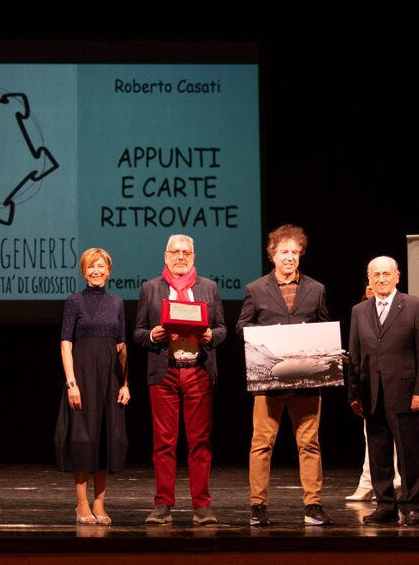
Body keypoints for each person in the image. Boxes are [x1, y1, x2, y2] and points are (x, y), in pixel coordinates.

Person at [236, 224, 333, 526]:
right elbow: (241, 327)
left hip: (306, 379)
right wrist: (269, 336)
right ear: (272, 254)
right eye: (283, 252)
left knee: (309, 443)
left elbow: (325, 328)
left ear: (300, 254)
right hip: (270, 379)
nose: (289, 257)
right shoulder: (256, 289)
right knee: (261, 443)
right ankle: (258, 506)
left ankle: (313, 505)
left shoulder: (316, 289)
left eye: (294, 252)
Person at [134, 234, 227, 525]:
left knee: (200, 442)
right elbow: (138, 332)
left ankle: (202, 506)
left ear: (193, 257)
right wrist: (152, 335)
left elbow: (222, 328)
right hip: (165, 372)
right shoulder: (150, 288)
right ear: (166, 256)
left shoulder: (209, 287)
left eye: (186, 252)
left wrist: (212, 336)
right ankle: (163, 504)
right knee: (164, 443)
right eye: (175, 252)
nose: (180, 257)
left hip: (198, 370)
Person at [348, 256, 419, 526]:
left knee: (408, 453)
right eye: (376, 274)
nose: (381, 279)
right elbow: (355, 355)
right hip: (371, 393)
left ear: (397, 276)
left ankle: (410, 505)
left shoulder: (415, 305)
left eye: (386, 274)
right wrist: (354, 394)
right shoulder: (359, 310)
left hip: (405, 393)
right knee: (378, 453)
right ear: (369, 279)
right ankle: (385, 506)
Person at [55, 248, 129, 525]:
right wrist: (71, 383)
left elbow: (122, 347)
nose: (96, 271)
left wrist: (126, 383)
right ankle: (82, 504)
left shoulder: (116, 303)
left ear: (108, 270)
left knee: (106, 440)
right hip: (83, 379)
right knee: (82, 439)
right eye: (91, 267)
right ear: (84, 271)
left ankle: (99, 503)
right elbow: (65, 345)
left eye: (101, 266)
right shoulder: (74, 301)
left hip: (109, 380)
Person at [346, 282, 401, 502]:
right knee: (373, 436)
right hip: (370, 383)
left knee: (397, 435)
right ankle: (371, 482)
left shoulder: (401, 310)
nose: (374, 288)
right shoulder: (361, 313)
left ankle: (395, 481)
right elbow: (357, 350)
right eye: (369, 287)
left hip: (394, 381)